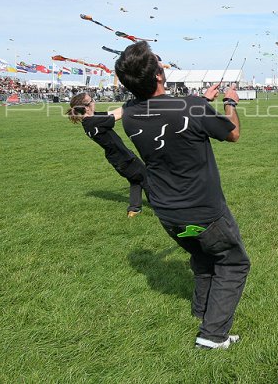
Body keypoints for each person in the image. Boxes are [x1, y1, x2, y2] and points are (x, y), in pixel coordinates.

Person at [114, 42, 248, 350]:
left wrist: (201, 100)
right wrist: (230, 102)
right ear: (159, 77)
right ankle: (212, 336)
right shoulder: (189, 107)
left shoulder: (132, 112)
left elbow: (170, 115)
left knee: (203, 259)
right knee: (233, 263)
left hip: (168, 213)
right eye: (159, 64)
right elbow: (232, 133)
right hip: (204, 211)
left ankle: (204, 313)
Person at [66, 92, 149, 218]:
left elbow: (114, 113)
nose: (94, 102)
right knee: (148, 179)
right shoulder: (93, 121)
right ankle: (164, 205)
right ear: (86, 107)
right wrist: (137, 102)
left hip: (117, 159)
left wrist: (131, 103)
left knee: (135, 180)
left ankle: (134, 209)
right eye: (91, 100)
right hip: (124, 158)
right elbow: (119, 115)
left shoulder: (91, 120)